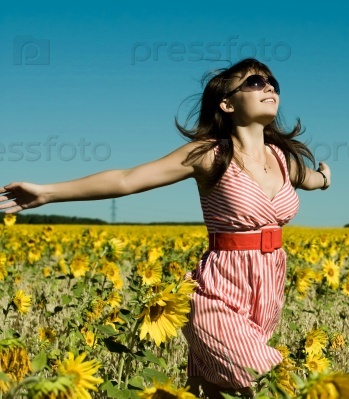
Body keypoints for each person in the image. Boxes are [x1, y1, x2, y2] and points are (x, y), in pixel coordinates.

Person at [0, 58, 331, 398]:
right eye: (255, 82)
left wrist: (324, 178)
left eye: (272, 82)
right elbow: (128, 179)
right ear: (227, 103)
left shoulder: (282, 159)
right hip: (216, 291)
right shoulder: (209, 155)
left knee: (212, 392)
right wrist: (48, 192)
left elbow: (310, 178)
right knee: (274, 383)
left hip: (267, 287)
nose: (269, 87)